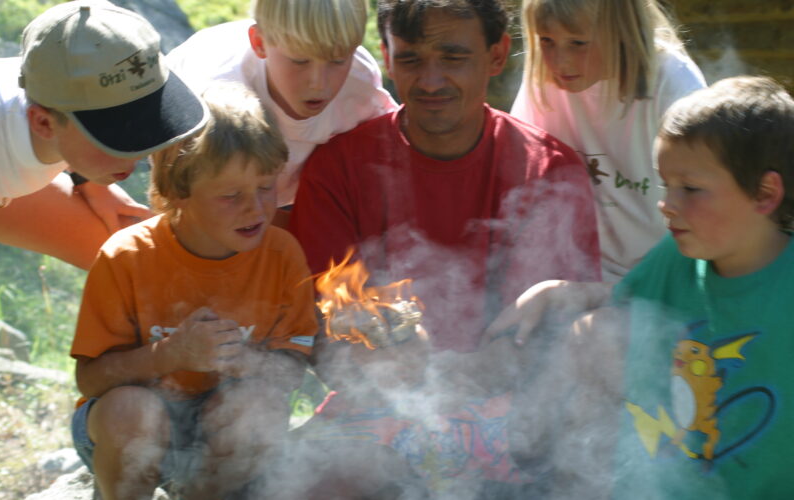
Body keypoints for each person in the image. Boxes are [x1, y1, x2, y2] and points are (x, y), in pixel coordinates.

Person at [273, 0, 601, 495]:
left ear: (496, 55)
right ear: (385, 55)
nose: (429, 81)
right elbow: (325, 333)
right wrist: (373, 357)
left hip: (511, 415)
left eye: (452, 58)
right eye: (410, 59)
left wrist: (432, 376)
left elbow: (542, 345)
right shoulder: (338, 168)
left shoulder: (548, 171)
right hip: (376, 409)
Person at [488, 76, 794, 498]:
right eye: (666, 185)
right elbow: (618, 311)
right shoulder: (675, 260)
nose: (667, 204)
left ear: (764, 194)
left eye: (691, 189)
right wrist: (569, 292)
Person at [69, 84, 318, 500]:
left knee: (258, 407)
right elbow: (90, 379)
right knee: (132, 412)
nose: (255, 209)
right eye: (230, 195)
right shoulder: (127, 257)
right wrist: (172, 355)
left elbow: (292, 370)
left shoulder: (282, 255)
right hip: (130, 424)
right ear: (177, 192)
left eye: (265, 187)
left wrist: (245, 359)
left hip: (219, 432)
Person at [0, 0, 209, 269]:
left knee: (133, 255)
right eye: (113, 138)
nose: (137, 156)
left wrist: (90, 182)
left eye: (147, 122)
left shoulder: (56, 82)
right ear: (44, 124)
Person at [511, 0, 706, 280]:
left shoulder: (671, 81)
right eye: (546, 41)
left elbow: (705, 201)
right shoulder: (543, 82)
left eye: (578, 43)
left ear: (621, 30)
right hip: (578, 276)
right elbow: (522, 186)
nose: (559, 61)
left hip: (666, 277)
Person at [167, 0, 397, 215]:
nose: (319, 83)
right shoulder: (212, 89)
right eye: (300, 61)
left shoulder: (359, 83)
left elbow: (390, 155)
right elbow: (173, 190)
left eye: (337, 61)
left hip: (301, 200)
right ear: (259, 43)